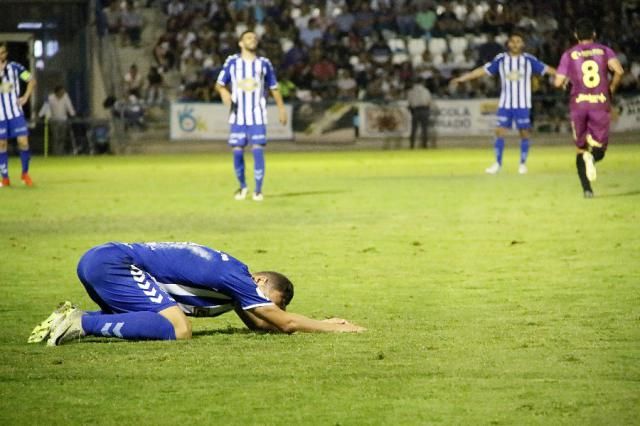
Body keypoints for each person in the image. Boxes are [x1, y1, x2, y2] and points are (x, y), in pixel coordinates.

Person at [28, 241, 365, 346]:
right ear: (260, 281)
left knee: (155, 319)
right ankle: (81, 322)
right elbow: (285, 323)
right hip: (114, 263)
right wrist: (331, 325)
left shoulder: (230, 283)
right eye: (267, 300)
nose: (263, 308)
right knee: (178, 328)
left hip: (101, 259)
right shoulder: (238, 277)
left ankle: (66, 317)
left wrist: (268, 319)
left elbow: (265, 323)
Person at [450, 31, 555, 174]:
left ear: (523, 44)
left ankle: (522, 164)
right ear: (508, 44)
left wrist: (565, 76)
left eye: (518, 41)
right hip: (506, 103)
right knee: (499, 132)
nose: (515, 44)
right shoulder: (501, 59)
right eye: (513, 41)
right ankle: (497, 164)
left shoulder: (529, 60)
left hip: (522, 104)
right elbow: (482, 70)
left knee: (524, 133)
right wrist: (464, 78)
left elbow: (547, 69)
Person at [553, 18, 624, 198]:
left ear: (576, 35)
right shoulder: (605, 50)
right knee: (599, 149)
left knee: (580, 148)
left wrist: (565, 84)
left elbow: (557, 82)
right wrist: (612, 88)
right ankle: (592, 158)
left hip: (579, 104)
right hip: (600, 102)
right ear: (593, 35)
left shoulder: (569, 54)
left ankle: (587, 190)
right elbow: (619, 71)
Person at [215, 30, 287, 202]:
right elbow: (219, 84)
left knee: (257, 149)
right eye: (248, 38)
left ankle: (258, 190)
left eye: (254, 38)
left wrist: (281, 108)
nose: (252, 40)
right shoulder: (232, 62)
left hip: (257, 115)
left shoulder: (264, 63)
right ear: (241, 43)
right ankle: (243, 186)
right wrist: (224, 92)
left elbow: (274, 87)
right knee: (237, 151)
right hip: (238, 115)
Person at [0, 41, 36, 187]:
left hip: (15, 113)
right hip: (0, 115)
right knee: (2, 144)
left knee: (23, 142)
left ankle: (25, 173)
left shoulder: (15, 67)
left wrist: (26, 97)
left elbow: (31, 80)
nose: (0, 56)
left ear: (6, 54)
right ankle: (5, 178)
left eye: (2, 53)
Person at [46, 85, 77, 155]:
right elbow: (47, 109)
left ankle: (61, 152)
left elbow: (69, 106)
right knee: (56, 138)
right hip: (54, 120)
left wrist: (73, 114)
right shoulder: (50, 98)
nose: (62, 94)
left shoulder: (66, 97)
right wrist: (48, 118)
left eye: (63, 92)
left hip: (63, 120)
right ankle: (55, 153)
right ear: (56, 92)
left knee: (62, 138)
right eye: (61, 92)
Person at [407, 80, 433, 149]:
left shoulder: (411, 91)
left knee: (414, 129)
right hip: (424, 110)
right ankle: (424, 145)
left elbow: (409, 104)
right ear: (422, 83)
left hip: (415, 111)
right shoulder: (426, 91)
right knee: (424, 129)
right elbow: (429, 102)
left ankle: (412, 145)